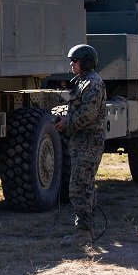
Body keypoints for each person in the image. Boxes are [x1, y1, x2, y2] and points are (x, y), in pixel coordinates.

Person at [54, 44, 106, 246]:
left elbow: (88, 115)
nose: (71, 64)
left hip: (88, 144)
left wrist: (66, 123)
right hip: (81, 143)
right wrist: (63, 115)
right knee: (83, 186)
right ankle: (85, 232)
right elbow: (77, 109)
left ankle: (83, 233)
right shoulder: (83, 82)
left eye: (74, 61)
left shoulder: (92, 84)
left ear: (85, 62)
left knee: (80, 188)